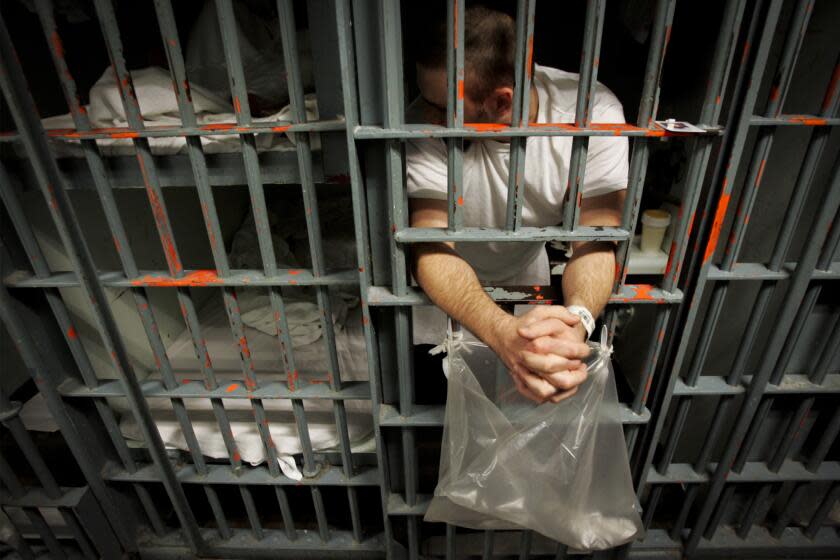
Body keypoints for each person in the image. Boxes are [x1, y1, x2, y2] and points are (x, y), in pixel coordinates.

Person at [407, 5, 628, 403]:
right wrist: (499, 332)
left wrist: (576, 325)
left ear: (501, 103)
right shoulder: (422, 123)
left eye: (441, 109)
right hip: (442, 283)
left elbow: (597, 239)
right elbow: (430, 242)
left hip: (525, 270)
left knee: (520, 403)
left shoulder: (593, 113)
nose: (424, 115)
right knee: (440, 404)